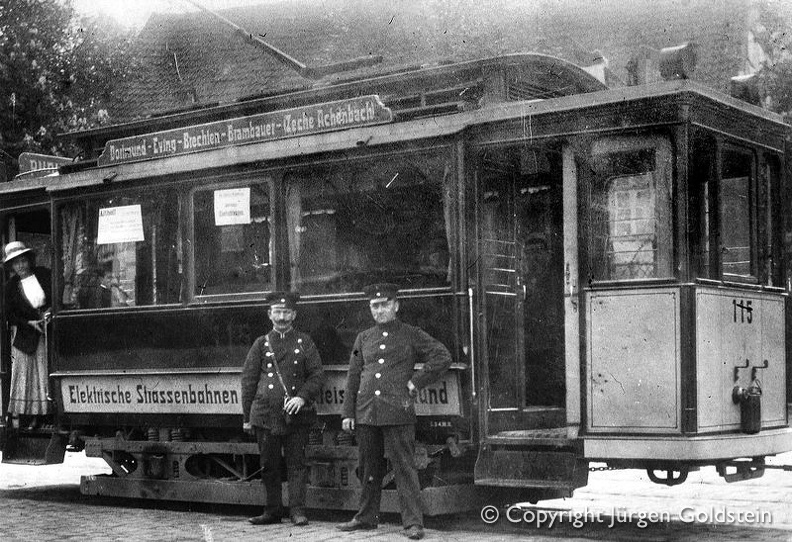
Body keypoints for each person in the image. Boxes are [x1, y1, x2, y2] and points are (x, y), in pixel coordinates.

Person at [337, 283, 452, 540]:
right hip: (367, 411)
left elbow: (442, 355)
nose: (379, 310)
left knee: (404, 468)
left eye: (384, 304)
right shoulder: (363, 338)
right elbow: (354, 375)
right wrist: (348, 413)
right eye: (374, 306)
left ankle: (412, 523)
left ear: (396, 306)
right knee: (368, 467)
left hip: (398, 410)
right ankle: (366, 518)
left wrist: (417, 381)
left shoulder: (411, 333)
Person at [241, 291, 324, 527]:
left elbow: (317, 375)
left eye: (287, 312)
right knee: (269, 465)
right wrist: (247, 416)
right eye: (278, 312)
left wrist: (302, 398)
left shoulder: (304, 342)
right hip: (266, 415)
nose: (282, 317)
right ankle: (272, 511)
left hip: (295, 415)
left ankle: (297, 511)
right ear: (270, 314)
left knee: (297, 465)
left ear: (294, 314)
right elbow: (248, 381)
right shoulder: (261, 344)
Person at [3, 241, 51, 430]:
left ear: (29, 260)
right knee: (28, 379)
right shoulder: (10, 286)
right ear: (12, 266)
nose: (21, 266)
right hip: (26, 337)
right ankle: (29, 418)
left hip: (48, 331)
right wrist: (29, 323)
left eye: (23, 260)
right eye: (16, 263)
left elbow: (56, 295)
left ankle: (46, 417)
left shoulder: (44, 275)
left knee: (45, 376)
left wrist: (49, 312)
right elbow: (9, 314)